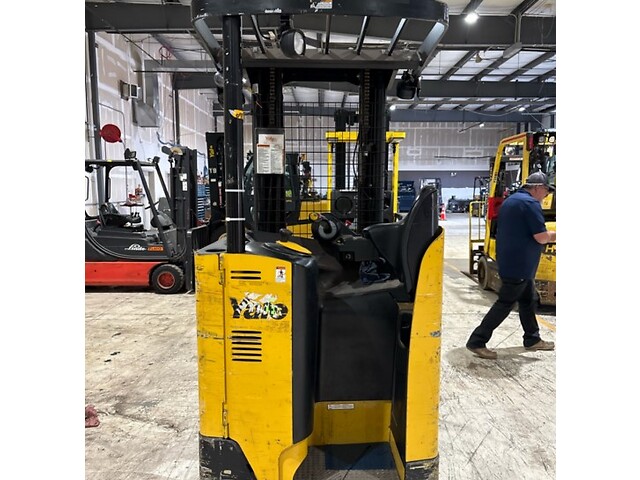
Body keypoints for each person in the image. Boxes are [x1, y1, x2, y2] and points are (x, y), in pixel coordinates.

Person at [466, 171, 556, 360]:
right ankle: (477, 341)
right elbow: (541, 237)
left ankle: (532, 339)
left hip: (512, 261)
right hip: (520, 265)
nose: (546, 195)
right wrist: (555, 235)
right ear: (538, 188)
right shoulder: (530, 204)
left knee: (528, 299)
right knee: (505, 303)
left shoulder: (511, 200)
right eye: (546, 191)